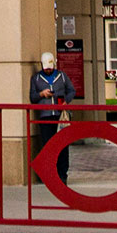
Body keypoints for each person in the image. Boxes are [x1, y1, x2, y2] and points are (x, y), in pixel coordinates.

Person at [30, 51, 77, 185]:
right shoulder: (36, 79)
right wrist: (41, 94)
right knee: (48, 146)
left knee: (62, 145)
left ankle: (62, 173)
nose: (48, 70)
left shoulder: (62, 76)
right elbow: (32, 97)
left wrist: (66, 101)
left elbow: (71, 90)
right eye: (46, 68)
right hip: (45, 116)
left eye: (50, 68)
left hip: (60, 115)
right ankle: (50, 173)